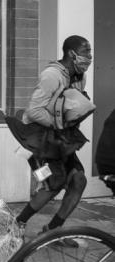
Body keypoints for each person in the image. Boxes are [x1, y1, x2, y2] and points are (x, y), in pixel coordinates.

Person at [11, 35, 93, 247]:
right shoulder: (51, 75)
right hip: (38, 141)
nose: (89, 58)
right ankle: (18, 223)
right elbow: (34, 110)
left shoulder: (78, 76)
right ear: (71, 54)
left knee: (78, 181)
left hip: (59, 140)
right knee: (51, 185)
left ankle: (53, 231)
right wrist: (61, 123)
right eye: (86, 53)